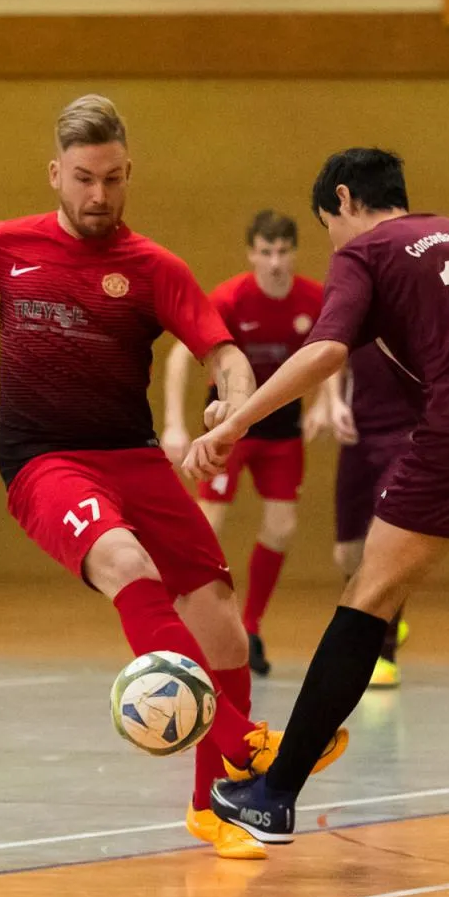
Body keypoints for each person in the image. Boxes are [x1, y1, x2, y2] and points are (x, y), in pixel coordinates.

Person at [0, 96, 345, 863]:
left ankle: (212, 805)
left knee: (219, 619)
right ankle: (245, 742)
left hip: (133, 455)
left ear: (129, 173)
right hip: (44, 459)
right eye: (84, 178)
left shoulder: (154, 267)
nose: (98, 194)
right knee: (126, 561)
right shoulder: (7, 246)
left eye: (113, 178)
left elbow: (223, 353)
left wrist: (232, 404)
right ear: (56, 173)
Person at [196, 148, 449, 884]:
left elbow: (325, 350)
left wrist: (237, 422)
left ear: (345, 200)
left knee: (369, 597)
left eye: (327, 224)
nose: (331, 241)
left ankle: (275, 795)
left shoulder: (367, 252)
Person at [162, 211, 327, 678]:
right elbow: (180, 356)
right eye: (266, 252)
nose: (275, 262)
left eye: (283, 252)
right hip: (229, 425)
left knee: (282, 526)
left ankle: (250, 627)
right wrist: (173, 424)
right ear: (252, 254)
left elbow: (331, 352)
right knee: (207, 526)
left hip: (282, 429)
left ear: (294, 253)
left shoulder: (313, 299)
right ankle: (187, 627)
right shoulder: (231, 298)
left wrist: (327, 401)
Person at [323, 342, 423, 687]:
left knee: (387, 541)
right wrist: (334, 402)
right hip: (358, 437)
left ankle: (384, 651)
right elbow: (332, 352)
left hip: (407, 436)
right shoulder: (355, 311)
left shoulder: (422, 315)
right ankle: (385, 615)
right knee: (348, 553)